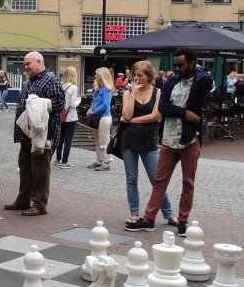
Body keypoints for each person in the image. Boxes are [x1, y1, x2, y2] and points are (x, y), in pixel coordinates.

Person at [125, 47, 213, 236]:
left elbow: (207, 78)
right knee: (160, 181)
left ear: (191, 63)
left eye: (181, 65)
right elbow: (164, 107)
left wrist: (197, 69)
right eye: (175, 65)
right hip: (168, 139)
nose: (177, 68)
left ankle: (183, 221)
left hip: (189, 139)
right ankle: (149, 220)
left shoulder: (200, 81)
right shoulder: (172, 81)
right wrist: (184, 113)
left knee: (188, 182)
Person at [4, 52, 64, 217]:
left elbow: (59, 104)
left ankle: (39, 204)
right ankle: (23, 200)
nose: (26, 67)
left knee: (40, 170)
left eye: (28, 63)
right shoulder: (30, 81)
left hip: (42, 137)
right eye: (25, 64)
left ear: (39, 62)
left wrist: (41, 104)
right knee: (25, 168)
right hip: (27, 136)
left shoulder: (51, 81)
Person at [119, 61, 177, 228]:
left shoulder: (158, 92)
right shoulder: (128, 92)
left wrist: (133, 121)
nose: (136, 79)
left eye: (140, 75)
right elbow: (126, 115)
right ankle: (134, 213)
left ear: (149, 76)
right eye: (134, 75)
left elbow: (155, 116)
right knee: (131, 179)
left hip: (148, 140)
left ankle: (169, 213)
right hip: (129, 140)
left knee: (157, 179)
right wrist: (132, 94)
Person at [87, 67, 115, 171]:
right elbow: (94, 103)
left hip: (104, 117)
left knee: (104, 141)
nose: (95, 76)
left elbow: (105, 105)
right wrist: (90, 109)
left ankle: (106, 163)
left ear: (102, 76)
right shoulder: (99, 89)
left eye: (97, 74)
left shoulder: (107, 89)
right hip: (97, 117)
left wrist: (93, 111)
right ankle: (99, 160)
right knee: (98, 141)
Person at [53, 66, 80, 168]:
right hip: (71, 117)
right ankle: (65, 162)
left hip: (60, 115)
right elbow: (73, 104)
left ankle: (57, 159)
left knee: (60, 139)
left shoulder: (61, 85)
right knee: (68, 140)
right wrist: (79, 100)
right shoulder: (73, 87)